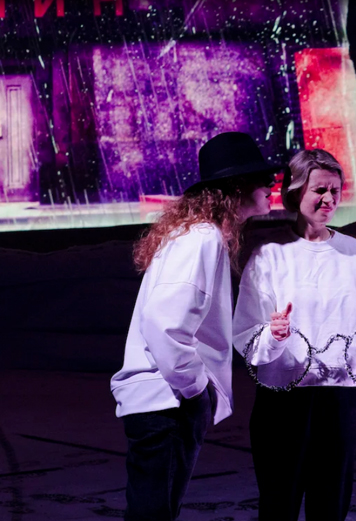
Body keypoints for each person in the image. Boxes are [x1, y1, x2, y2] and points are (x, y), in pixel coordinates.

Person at [232, 148, 356, 521]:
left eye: (335, 191)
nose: (329, 199)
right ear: (296, 192)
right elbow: (245, 334)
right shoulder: (270, 255)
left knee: (330, 506)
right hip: (282, 400)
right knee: (278, 505)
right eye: (319, 190)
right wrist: (273, 335)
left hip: (340, 399)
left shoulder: (355, 254)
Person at [110, 131, 281, 521]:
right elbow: (164, 324)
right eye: (262, 177)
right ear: (236, 186)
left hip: (162, 402)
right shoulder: (201, 238)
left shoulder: (197, 234)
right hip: (167, 403)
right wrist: (195, 389)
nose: (272, 183)